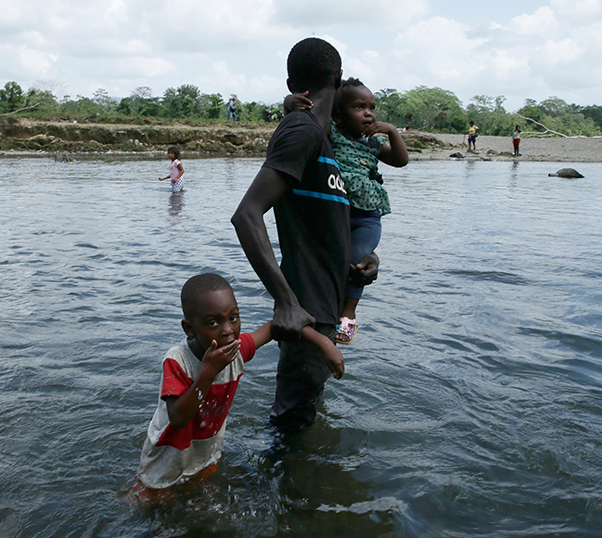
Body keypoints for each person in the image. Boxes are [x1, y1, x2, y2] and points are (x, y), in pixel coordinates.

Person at [231, 37, 378, 432]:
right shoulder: (302, 129)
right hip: (306, 311)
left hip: (325, 308)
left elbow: (327, 226)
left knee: (300, 420)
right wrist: (286, 301)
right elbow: (247, 214)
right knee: (289, 428)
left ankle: (292, 489)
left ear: (292, 82)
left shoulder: (329, 143)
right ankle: (270, 492)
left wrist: (366, 261)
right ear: (338, 77)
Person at [137, 273, 343, 490]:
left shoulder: (236, 351)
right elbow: (178, 417)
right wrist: (209, 371)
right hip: (165, 460)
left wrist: (323, 343)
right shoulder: (177, 360)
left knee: (199, 501)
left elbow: (277, 326)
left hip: (205, 454)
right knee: (152, 508)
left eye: (233, 318)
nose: (228, 330)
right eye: (213, 322)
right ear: (189, 329)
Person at [284, 78, 408, 344]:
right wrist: (289, 105)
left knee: (358, 260)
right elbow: (309, 122)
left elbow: (401, 160)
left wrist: (392, 131)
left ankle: (349, 314)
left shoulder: (374, 145)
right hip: (338, 213)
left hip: (368, 218)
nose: (369, 113)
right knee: (337, 259)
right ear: (339, 114)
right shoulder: (332, 135)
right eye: (359, 107)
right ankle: (326, 312)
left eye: (372, 108)